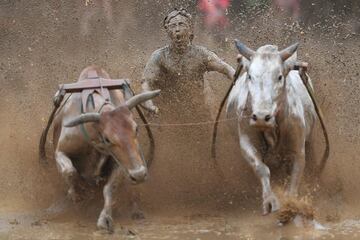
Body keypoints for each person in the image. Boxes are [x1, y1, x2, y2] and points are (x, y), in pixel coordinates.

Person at [140, 8, 235, 204]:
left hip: (198, 114)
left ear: (190, 30)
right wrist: (149, 105)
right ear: (167, 31)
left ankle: (206, 191)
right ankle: (169, 193)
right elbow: (145, 83)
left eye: (181, 25)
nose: (177, 30)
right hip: (168, 115)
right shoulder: (159, 57)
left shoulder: (201, 54)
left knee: (206, 153)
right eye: (173, 26)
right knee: (169, 155)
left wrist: (239, 79)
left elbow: (225, 68)